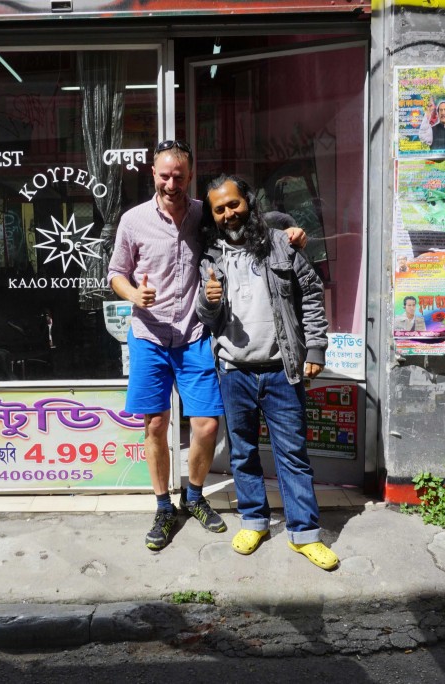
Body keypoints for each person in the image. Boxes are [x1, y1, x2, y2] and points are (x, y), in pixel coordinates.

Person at [107, 140, 303, 551]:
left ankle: (194, 496)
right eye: (164, 175)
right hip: (149, 336)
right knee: (156, 425)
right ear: (152, 173)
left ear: (189, 176)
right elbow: (116, 274)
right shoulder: (133, 220)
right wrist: (131, 296)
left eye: (179, 175)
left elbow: (245, 220)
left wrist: (287, 231)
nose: (171, 182)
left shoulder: (202, 213)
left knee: (207, 426)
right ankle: (163, 506)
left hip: (195, 333)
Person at [196, 174, 338, 571]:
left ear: (248, 203)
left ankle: (305, 534)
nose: (228, 213)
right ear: (213, 214)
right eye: (219, 209)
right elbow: (204, 315)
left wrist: (315, 347)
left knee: (292, 454)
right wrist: (209, 303)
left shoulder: (280, 244)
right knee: (242, 453)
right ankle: (254, 521)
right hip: (234, 372)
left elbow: (310, 292)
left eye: (234, 204)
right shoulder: (211, 257)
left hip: (281, 370)